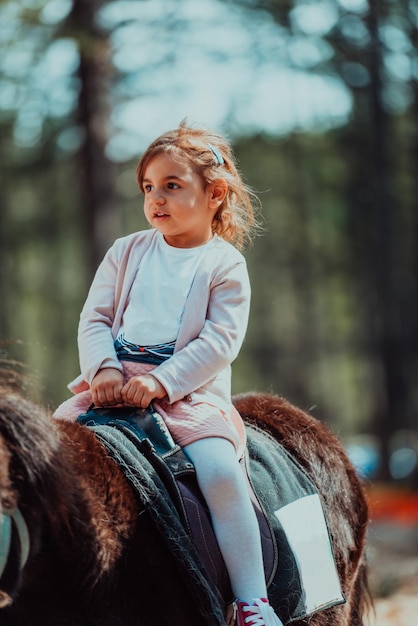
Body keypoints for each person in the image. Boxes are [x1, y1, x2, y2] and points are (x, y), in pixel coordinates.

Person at [54, 121, 283, 626]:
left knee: (220, 472)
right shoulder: (127, 251)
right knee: (50, 450)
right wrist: (105, 369)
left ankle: (251, 602)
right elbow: (93, 318)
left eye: (172, 186)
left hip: (187, 393)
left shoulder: (224, 264)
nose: (156, 198)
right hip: (111, 385)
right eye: (148, 187)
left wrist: (162, 382)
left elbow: (219, 340)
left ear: (215, 193)